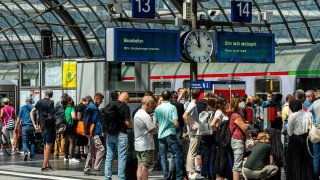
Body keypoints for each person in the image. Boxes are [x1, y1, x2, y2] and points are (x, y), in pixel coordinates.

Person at [154, 90, 183, 180]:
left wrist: (161, 125)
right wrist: (177, 125)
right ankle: (179, 177)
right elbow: (175, 122)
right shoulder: (172, 107)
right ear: (170, 97)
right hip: (170, 133)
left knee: (163, 156)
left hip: (161, 135)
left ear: (162, 98)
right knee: (177, 155)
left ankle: (166, 176)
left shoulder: (158, 108)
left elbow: (154, 123)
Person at [105, 92, 133, 180]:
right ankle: (121, 178)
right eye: (127, 99)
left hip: (110, 134)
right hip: (121, 134)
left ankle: (107, 177)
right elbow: (128, 123)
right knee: (122, 157)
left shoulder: (110, 104)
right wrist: (132, 126)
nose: (127, 101)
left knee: (109, 157)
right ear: (126, 98)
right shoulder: (125, 107)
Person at [286, 99, 316, 180]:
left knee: (295, 160)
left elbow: (289, 132)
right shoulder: (308, 114)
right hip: (306, 139)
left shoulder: (292, 116)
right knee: (307, 161)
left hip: (295, 140)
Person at [30, 89, 55, 171]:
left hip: (42, 126)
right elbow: (51, 115)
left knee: (45, 145)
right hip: (49, 125)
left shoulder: (39, 102)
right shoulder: (51, 102)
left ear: (45, 94)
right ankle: (44, 164)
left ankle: (47, 163)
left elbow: (32, 112)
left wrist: (34, 124)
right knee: (49, 145)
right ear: (51, 95)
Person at [134, 96, 157, 180]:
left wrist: (149, 117)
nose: (152, 106)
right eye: (152, 104)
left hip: (138, 144)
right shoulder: (145, 116)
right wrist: (155, 122)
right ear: (148, 104)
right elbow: (153, 130)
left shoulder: (138, 113)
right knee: (145, 167)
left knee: (139, 166)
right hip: (146, 145)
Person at [183, 89, 202, 179]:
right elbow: (184, 115)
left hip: (193, 132)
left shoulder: (191, 104)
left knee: (191, 152)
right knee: (192, 153)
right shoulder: (193, 105)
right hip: (195, 132)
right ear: (199, 96)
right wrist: (190, 126)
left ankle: (191, 171)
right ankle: (191, 172)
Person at [83, 93, 105, 176]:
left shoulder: (95, 108)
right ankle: (96, 168)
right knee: (101, 149)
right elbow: (86, 120)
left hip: (94, 132)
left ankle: (87, 168)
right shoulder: (91, 108)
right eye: (100, 100)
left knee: (92, 151)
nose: (101, 102)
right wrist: (87, 132)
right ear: (96, 98)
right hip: (93, 133)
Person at [211, 97, 232, 180]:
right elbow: (212, 124)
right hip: (222, 137)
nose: (227, 104)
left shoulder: (222, 112)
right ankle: (221, 176)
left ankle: (218, 175)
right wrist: (219, 131)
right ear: (221, 104)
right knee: (223, 156)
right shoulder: (219, 112)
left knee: (220, 155)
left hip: (222, 136)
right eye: (225, 103)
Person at [229, 96, 249, 180]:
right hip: (237, 140)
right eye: (240, 102)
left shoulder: (236, 114)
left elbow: (246, 123)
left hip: (237, 140)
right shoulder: (236, 115)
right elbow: (244, 128)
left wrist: (246, 124)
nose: (242, 104)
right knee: (237, 164)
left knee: (238, 162)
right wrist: (247, 125)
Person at [199, 97, 217, 179]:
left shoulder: (202, 113)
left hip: (204, 135)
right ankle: (212, 173)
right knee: (213, 155)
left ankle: (205, 173)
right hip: (213, 136)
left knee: (206, 155)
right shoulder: (214, 113)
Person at [63, 97, 79, 163]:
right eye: (72, 100)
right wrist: (77, 118)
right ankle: (71, 157)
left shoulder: (66, 109)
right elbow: (73, 116)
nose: (73, 101)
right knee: (72, 142)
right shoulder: (72, 108)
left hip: (67, 126)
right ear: (69, 102)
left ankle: (65, 157)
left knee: (67, 142)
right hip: (71, 126)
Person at [308, 96, 320, 178]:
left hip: (317, 133)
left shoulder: (316, 102)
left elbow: (307, 113)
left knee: (316, 158)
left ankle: (315, 177)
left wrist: (312, 122)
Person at [53, 93, 68, 158]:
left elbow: (54, 112)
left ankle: (56, 152)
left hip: (57, 122)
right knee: (63, 138)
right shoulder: (67, 105)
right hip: (63, 123)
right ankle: (61, 153)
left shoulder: (57, 104)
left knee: (57, 138)